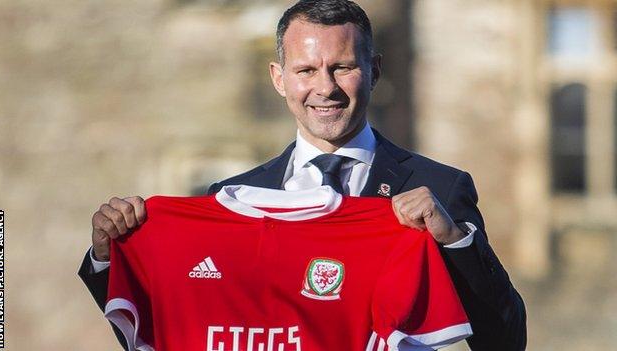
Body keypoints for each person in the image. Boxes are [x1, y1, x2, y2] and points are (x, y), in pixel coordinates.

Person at [78, 1, 526, 350]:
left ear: (375, 71)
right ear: (279, 78)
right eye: (306, 70)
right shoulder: (235, 197)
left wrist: (455, 242)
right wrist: (110, 256)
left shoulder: (439, 189)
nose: (325, 88)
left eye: (343, 67)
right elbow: (179, 332)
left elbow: (504, 342)